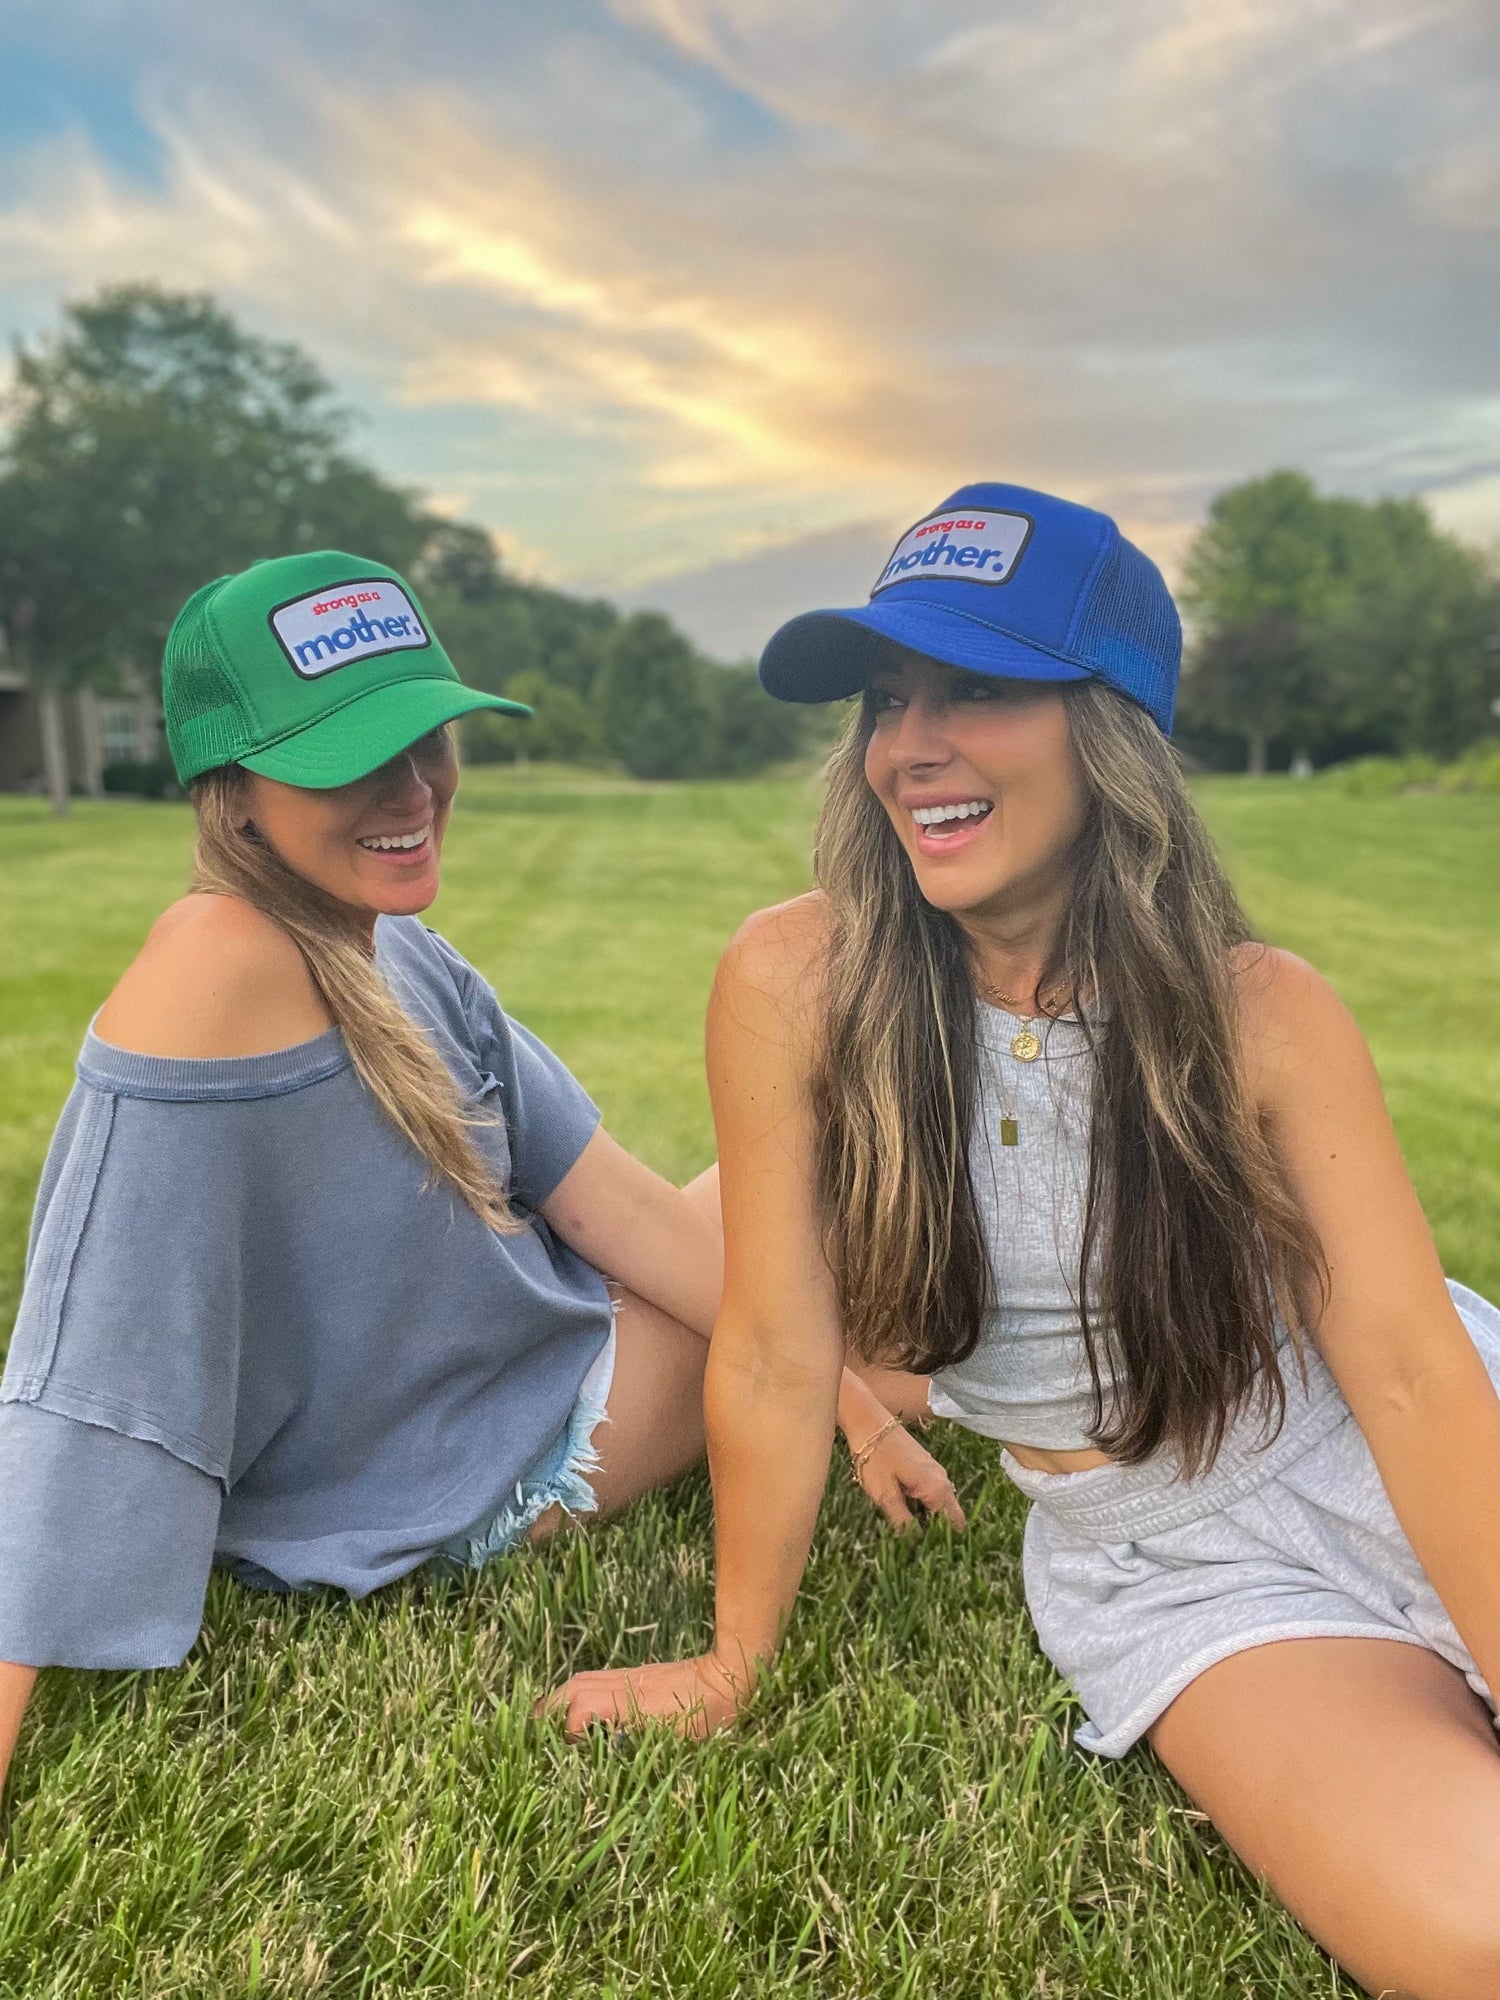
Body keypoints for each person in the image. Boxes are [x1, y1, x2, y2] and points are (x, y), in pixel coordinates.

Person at [546, 484, 1500, 1999]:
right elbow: (779, 1354)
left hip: (1399, 1440)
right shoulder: (797, 983)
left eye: (977, 690)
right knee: (1475, 1938)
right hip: (1176, 1562)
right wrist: (731, 1663)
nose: (910, 745)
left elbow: (1409, 1376)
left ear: (1109, 730)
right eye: (887, 698)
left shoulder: (1263, 1011)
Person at [0, 549, 952, 1805]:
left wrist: (848, 1405)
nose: (411, 787)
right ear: (234, 793)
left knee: (804, 1218)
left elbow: (612, 1203)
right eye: (350, 757)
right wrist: (849, 1398)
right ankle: (1014, 1392)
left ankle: (953, 1380)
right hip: (503, 1457)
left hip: (535, 1356)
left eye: (427, 737)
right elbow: (89, 1361)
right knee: (838, 1251)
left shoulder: (396, 947)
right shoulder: (212, 962)